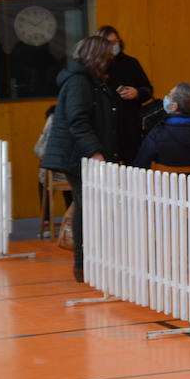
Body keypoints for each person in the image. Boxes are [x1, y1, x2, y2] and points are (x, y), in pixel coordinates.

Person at [41, 36, 121, 282]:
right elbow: (78, 120)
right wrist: (96, 152)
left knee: (87, 207)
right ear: (96, 57)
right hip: (78, 156)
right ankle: (83, 264)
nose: (111, 61)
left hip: (79, 154)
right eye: (108, 57)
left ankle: (86, 264)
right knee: (87, 208)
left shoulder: (88, 80)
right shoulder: (79, 82)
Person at [133, 82, 190, 172]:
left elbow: (140, 166)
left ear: (173, 106)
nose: (165, 97)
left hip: (165, 185)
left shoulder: (157, 134)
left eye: (169, 95)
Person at [96, 25, 153, 163]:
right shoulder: (96, 66)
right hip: (106, 126)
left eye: (116, 41)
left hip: (130, 124)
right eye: (109, 43)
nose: (114, 45)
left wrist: (137, 93)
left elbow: (148, 90)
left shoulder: (131, 63)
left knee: (132, 167)